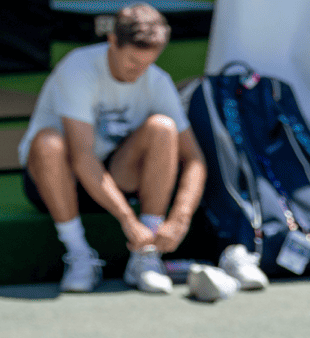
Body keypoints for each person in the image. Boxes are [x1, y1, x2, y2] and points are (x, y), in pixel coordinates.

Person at [19, 3, 206, 294]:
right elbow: (83, 158)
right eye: (132, 61)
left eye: (147, 63)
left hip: (117, 177)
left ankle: (146, 255)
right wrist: (127, 220)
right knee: (48, 141)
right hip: (58, 181)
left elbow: (195, 160)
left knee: (163, 128)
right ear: (112, 42)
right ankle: (79, 255)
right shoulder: (78, 68)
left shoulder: (157, 81)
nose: (138, 71)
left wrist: (179, 220)